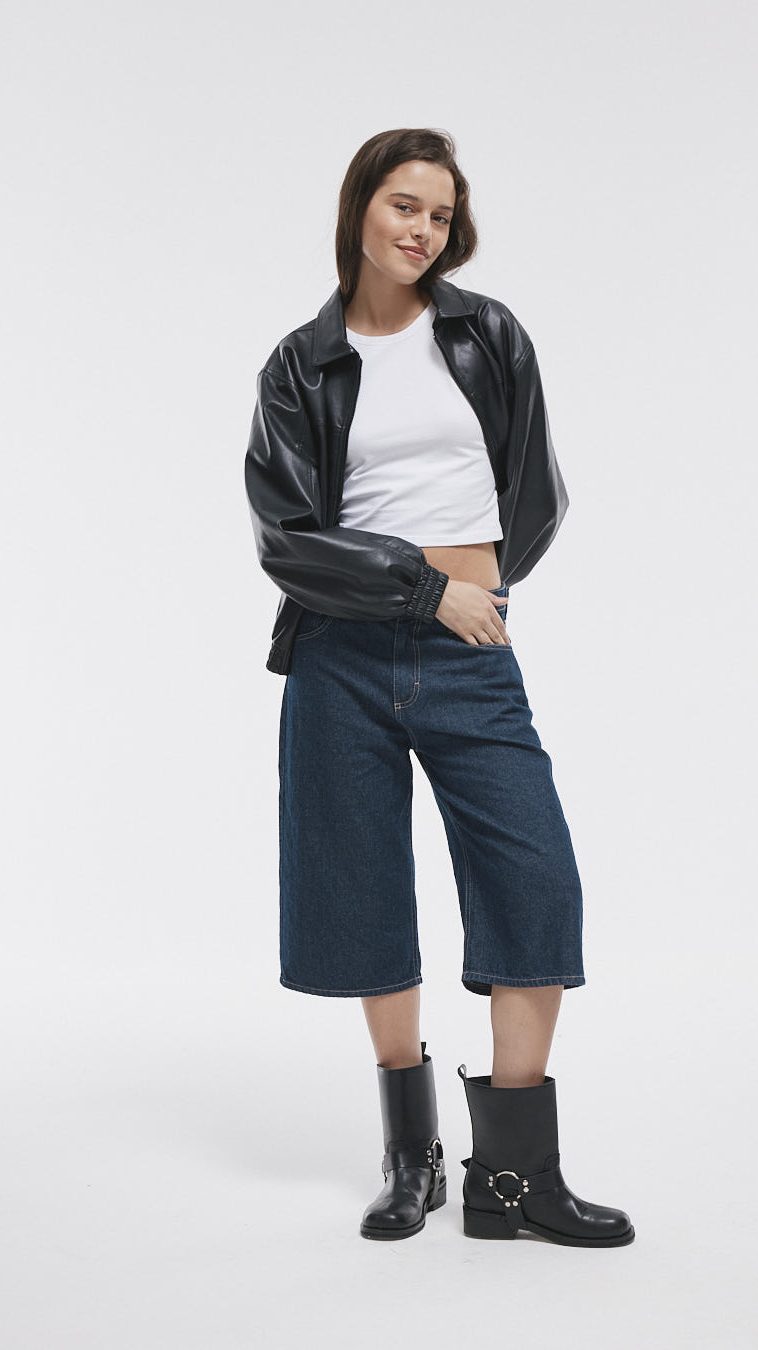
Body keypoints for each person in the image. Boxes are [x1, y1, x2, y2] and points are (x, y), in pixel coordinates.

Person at [244, 128, 635, 1248]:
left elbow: (536, 492)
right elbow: (285, 536)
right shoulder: (300, 364)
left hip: (472, 652)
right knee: (362, 890)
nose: (422, 229)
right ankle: (411, 1155)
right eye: (404, 204)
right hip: (342, 654)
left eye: (441, 214)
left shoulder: (486, 334)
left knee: (534, 880)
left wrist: (479, 592)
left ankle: (513, 1176)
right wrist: (425, 588)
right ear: (360, 206)